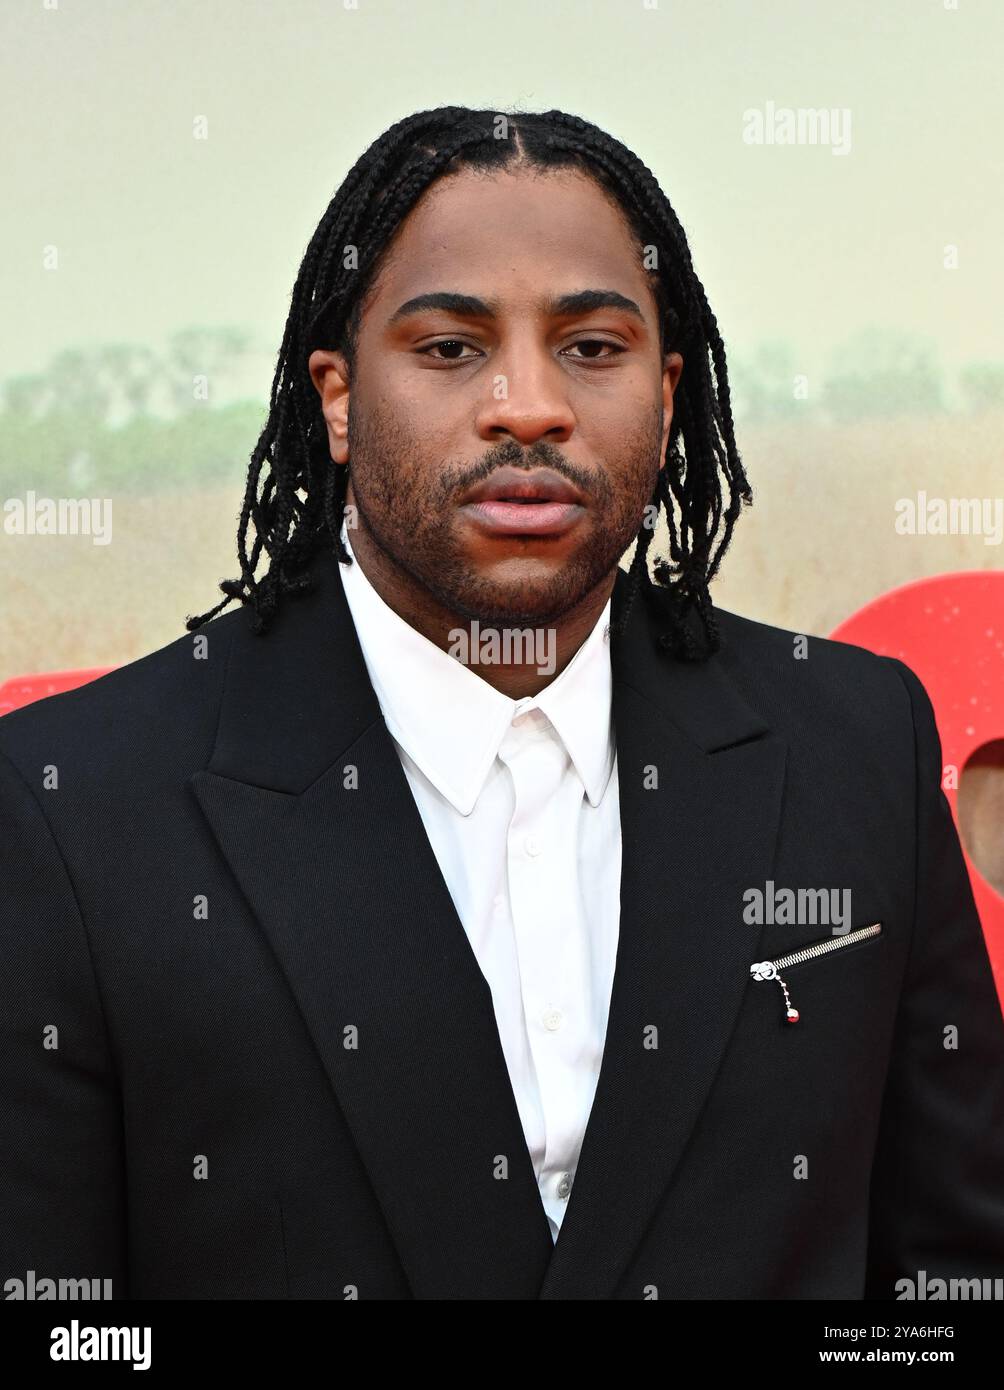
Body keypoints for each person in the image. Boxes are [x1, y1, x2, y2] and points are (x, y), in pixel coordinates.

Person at [2, 106, 1003, 1301]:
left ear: (667, 390)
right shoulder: (68, 807)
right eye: (447, 349)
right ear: (334, 397)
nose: (526, 404)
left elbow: (948, 1279)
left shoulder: (855, 744)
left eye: (590, 347)